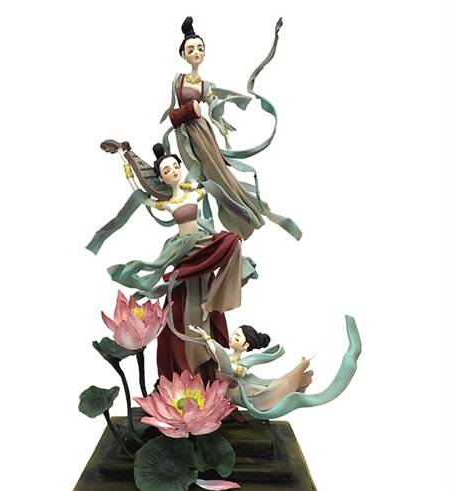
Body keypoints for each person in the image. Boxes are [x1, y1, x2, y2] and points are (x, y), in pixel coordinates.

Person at [86, 142, 257, 380]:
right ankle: (189, 363)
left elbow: (215, 181)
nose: (174, 171)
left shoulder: (195, 192)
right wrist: (126, 162)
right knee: (183, 300)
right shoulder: (167, 203)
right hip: (183, 250)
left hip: (202, 244)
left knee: (233, 242)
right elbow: (140, 196)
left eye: (176, 166)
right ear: (161, 178)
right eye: (167, 170)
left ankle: (215, 299)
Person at [160, 16, 302, 241]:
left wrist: (221, 123)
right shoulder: (178, 80)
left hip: (201, 132)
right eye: (191, 49)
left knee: (217, 173)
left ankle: (241, 216)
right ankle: (191, 217)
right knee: (193, 172)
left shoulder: (204, 86)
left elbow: (212, 106)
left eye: (200, 48)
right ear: (183, 55)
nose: (196, 52)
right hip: (182, 133)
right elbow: (172, 107)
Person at [188, 317, 361, 420]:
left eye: (237, 337)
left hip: (244, 394)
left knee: (278, 388)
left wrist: (207, 338)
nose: (232, 337)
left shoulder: (240, 364)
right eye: (234, 334)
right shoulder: (230, 357)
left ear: (245, 346)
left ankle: (301, 367)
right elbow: (219, 356)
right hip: (225, 395)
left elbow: (225, 363)